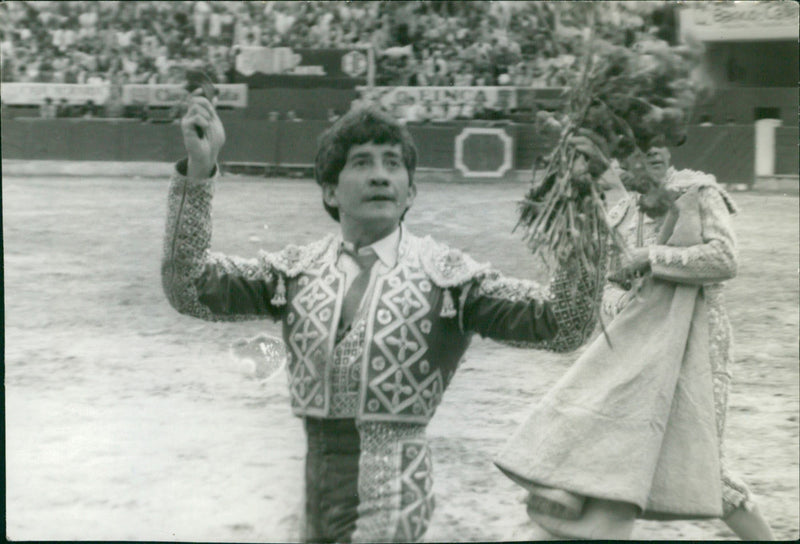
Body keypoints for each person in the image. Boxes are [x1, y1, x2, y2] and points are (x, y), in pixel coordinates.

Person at [161, 94, 604, 543]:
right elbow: (190, 287)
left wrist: (583, 211)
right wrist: (200, 170)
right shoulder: (296, 271)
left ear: (410, 190)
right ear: (331, 190)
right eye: (361, 163)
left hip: (394, 494)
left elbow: (562, 323)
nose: (379, 175)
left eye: (393, 164)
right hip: (315, 499)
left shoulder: (447, 277)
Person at [495, 135, 775, 540]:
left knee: (702, 463)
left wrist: (652, 259)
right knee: (599, 450)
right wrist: (621, 302)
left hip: (694, 349)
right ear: (622, 162)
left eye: (659, 144)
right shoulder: (621, 213)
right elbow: (604, 290)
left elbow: (725, 258)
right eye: (641, 148)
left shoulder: (698, 191)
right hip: (634, 353)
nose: (654, 152)